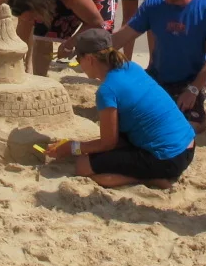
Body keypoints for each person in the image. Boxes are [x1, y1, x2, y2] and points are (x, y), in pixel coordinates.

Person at [43, 30, 196, 189]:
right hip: (188, 145)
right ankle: (151, 172)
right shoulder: (131, 66)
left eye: (78, 58)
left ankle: (151, 179)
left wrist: (72, 147)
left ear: (89, 59)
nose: (78, 63)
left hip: (168, 159)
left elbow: (108, 143)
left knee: (83, 165)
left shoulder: (107, 90)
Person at [110, 0, 206, 127]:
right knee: (128, 118)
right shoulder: (153, 5)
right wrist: (94, 49)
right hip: (157, 76)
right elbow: (124, 35)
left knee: (190, 126)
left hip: (190, 81)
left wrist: (193, 89)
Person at [7, 0, 120, 75]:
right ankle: (41, 79)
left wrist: (69, 44)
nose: (32, 22)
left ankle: (106, 79)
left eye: (32, 17)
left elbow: (97, 23)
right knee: (42, 37)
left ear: (36, 7)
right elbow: (36, 36)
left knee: (100, 36)